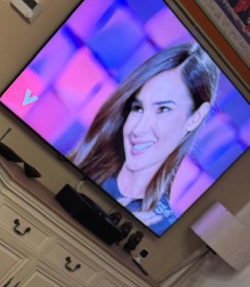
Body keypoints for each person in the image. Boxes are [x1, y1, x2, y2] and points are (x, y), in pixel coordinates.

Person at [74, 43, 219, 233]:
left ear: (195, 118)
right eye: (138, 108)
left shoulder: (161, 226)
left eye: (163, 109)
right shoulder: (82, 167)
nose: (139, 129)